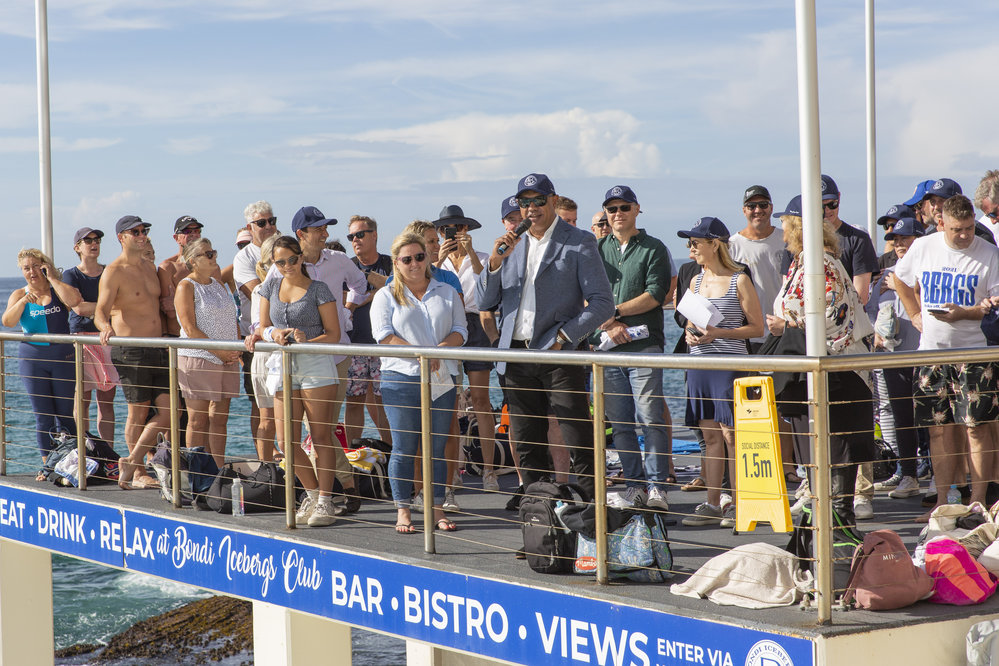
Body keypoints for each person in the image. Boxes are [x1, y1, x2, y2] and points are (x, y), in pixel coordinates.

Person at [477, 173, 614, 501]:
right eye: (524, 202)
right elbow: (484, 301)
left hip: (558, 355)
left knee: (578, 441)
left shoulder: (579, 240)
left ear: (553, 201)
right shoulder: (511, 244)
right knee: (527, 448)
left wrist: (564, 336)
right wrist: (495, 262)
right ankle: (540, 529)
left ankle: (588, 525)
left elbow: (602, 303)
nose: (531, 208)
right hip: (517, 358)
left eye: (538, 200)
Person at [767, 195, 875, 527]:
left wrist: (785, 325)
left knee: (835, 458)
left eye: (785, 225)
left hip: (834, 375)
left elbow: (831, 318)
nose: (782, 233)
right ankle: (826, 538)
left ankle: (839, 542)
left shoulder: (821, 264)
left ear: (798, 227)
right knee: (821, 464)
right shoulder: (804, 262)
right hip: (814, 374)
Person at [893, 194, 999, 519]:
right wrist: (914, 315)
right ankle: (943, 501)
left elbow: (994, 302)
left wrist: (964, 313)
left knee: (976, 427)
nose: (964, 235)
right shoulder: (924, 247)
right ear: (942, 224)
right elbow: (899, 277)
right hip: (931, 353)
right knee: (938, 429)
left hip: (975, 353)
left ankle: (977, 500)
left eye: (968, 228)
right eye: (957, 229)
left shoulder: (990, 254)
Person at [370, 232, 466, 533]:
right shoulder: (385, 296)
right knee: (404, 447)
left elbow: (461, 331)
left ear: (428, 258)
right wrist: (420, 355)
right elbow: (383, 335)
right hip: (401, 378)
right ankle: (403, 511)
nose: (414, 263)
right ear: (396, 263)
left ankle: (437, 510)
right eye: (406, 259)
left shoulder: (447, 291)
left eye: (419, 257)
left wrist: (439, 352)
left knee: (436, 447)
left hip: (440, 378)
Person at [246, 235, 342, 527]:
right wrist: (273, 334)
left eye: (292, 259)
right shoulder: (269, 287)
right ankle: (313, 495)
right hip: (282, 365)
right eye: (280, 261)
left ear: (301, 257)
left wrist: (306, 338)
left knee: (321, 436)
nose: (287, 265)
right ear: (273, 264)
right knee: (285, 440)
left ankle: (325, 501)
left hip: (315, 363)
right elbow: (262, 327)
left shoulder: (319, 289)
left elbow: (334, 334)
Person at [675, 217, 763, 527]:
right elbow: (689, 320)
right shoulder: (695, 281)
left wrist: (718, 334)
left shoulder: (739, 279)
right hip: (700, 364)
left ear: (715, 244)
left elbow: (757, 327)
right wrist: (690, 332)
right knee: (710, 435)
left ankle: (740, 504)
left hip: (728, 366)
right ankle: (713, 502)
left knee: (731, 435)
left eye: (696, 242)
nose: (691, 248)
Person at [283, 206, 368, 513]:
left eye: (325, 227)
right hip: (302, 361)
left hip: (336, 356)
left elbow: (361, 285)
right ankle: (340, 489)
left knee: (324, 428)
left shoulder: (340, 260)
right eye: (319, 229)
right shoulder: (288, 265)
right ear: (301, 235)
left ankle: (332, 492)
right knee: (319, 429)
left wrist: (347, 310)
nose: (325, 233)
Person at [594, 185, 673, 510]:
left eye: (624, 208)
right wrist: (610, 324)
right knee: (622, 423)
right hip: (608, 347)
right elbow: (588, 294)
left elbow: (656, 294)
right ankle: (634, 486)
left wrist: (616, 312)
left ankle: (657, 488)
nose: (618, 214)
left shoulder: (653, 248)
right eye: (612, 209)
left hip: (645, 346)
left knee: (651, 418)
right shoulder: (597, 249)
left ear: (637, 209)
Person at [94, 215, 169, 489]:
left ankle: (132, 459)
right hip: (130, 350)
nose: (142, 234)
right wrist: (104, 328)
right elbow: (101, 311)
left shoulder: (150, 267)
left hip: (159, 347)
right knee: (137, 413)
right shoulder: (114, 270)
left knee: (169, 411)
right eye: (135, 231)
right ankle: (137, 474)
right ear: (121, 238)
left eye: (144, 230)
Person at [436, 206, 500, 494]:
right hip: (447, 326)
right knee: (450, 402)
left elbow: (487, 284)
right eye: (448, 229)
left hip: (474, 324)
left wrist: (471, 253)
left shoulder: (482, 258)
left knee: (481, 400)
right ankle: (455, 469)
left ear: (467, 231)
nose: (454, 232)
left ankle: (489, 470)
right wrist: (437, 258)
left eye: (460, 227)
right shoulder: (433, 261)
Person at [2, 249, 82, 476]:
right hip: (33, 360)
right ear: (22, 271)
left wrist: (54, 278)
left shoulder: (57, 290)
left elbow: (75, 301)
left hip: (63, 358)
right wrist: (23, 302)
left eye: (36, 266)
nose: (32, 272)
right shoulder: (19, 294)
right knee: (43, 416)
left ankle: (72, 462)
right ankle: (48, 466)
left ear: (44, 266)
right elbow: (7, 322)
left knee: (65, 414)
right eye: (27, 268)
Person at [867, 218, 925, 500]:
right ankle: (908, 474)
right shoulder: (885, 274)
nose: (898, 243)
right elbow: (870, 311)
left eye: (905, 238)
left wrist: (901, 287)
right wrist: (877, 333)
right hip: (894, 354)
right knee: (901, 415)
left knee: (931, 417)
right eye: (894, 239)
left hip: (926, 353)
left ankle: (937, 477)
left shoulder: (926, 269)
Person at [175, 238, 242, 467]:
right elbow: (189, 328)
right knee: (197, 420)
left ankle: (219, 469)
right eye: (208, 254)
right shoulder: (186, 286)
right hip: (200, 358)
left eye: (213, 251)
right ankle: (198, 475)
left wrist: (235, 350)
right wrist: (219, 351)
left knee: (220, 419)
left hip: (227, 359)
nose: (214, 256)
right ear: (193, 261)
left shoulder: (219, 284)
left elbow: (231, 320)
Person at [233, 201, 282, 456]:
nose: (269, 226)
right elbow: (257, 293)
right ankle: (266, 459)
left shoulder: (285, 248)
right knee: (260, 406)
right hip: (258, 339)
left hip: (285, 338)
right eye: (261, 223)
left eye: (272, 221)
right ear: (250, 227)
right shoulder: (244, 257)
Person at [62, 227, 119, 445]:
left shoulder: (109, 271)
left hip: (107, 338)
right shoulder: (71, 274)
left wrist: (99, 308)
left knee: (107, 401)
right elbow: (78, 308)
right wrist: (107, 308)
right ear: (78, 247)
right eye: (88, 241)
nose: (94, 244)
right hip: (82, 341)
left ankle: (108, 452)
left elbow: (92, 306)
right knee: (82, 401)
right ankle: (84, 450)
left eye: (97, 240)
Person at [345, 215, 393, 446]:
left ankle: (393, 454)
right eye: (351, 236)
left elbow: (400, 286)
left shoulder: (392, 263)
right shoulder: (346, 266)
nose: (355, 239)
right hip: (355, 344)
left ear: (374, 235)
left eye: (360, 234)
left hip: (386, 346)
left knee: (386, 402)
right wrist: (370, 294)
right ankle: (353, 454)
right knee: (354, 402)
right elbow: (343, 298)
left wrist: (366, 294)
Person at [820, 175, 879, 306]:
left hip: (846, 320)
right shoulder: (799, 242)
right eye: (821, 206)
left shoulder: (858, 240)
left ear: (839, 198)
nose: (828, 210)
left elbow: (860, 298)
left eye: (832, 204)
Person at [248, 235, 281, 460]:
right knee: (268, 419)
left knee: (291, 420)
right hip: (267, 357)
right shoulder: (260, 290)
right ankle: (266, 469)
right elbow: (259, 326)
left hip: (287, 357)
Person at [158, 216, 209, 336]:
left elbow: (215, 305)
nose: (193, 234)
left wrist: (177, 302)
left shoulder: (212, 266)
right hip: (178, 336)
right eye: (187, 231)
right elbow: (170, 312)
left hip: (207, 336)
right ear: (176, 238)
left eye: (197, 231)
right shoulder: (168, 268)